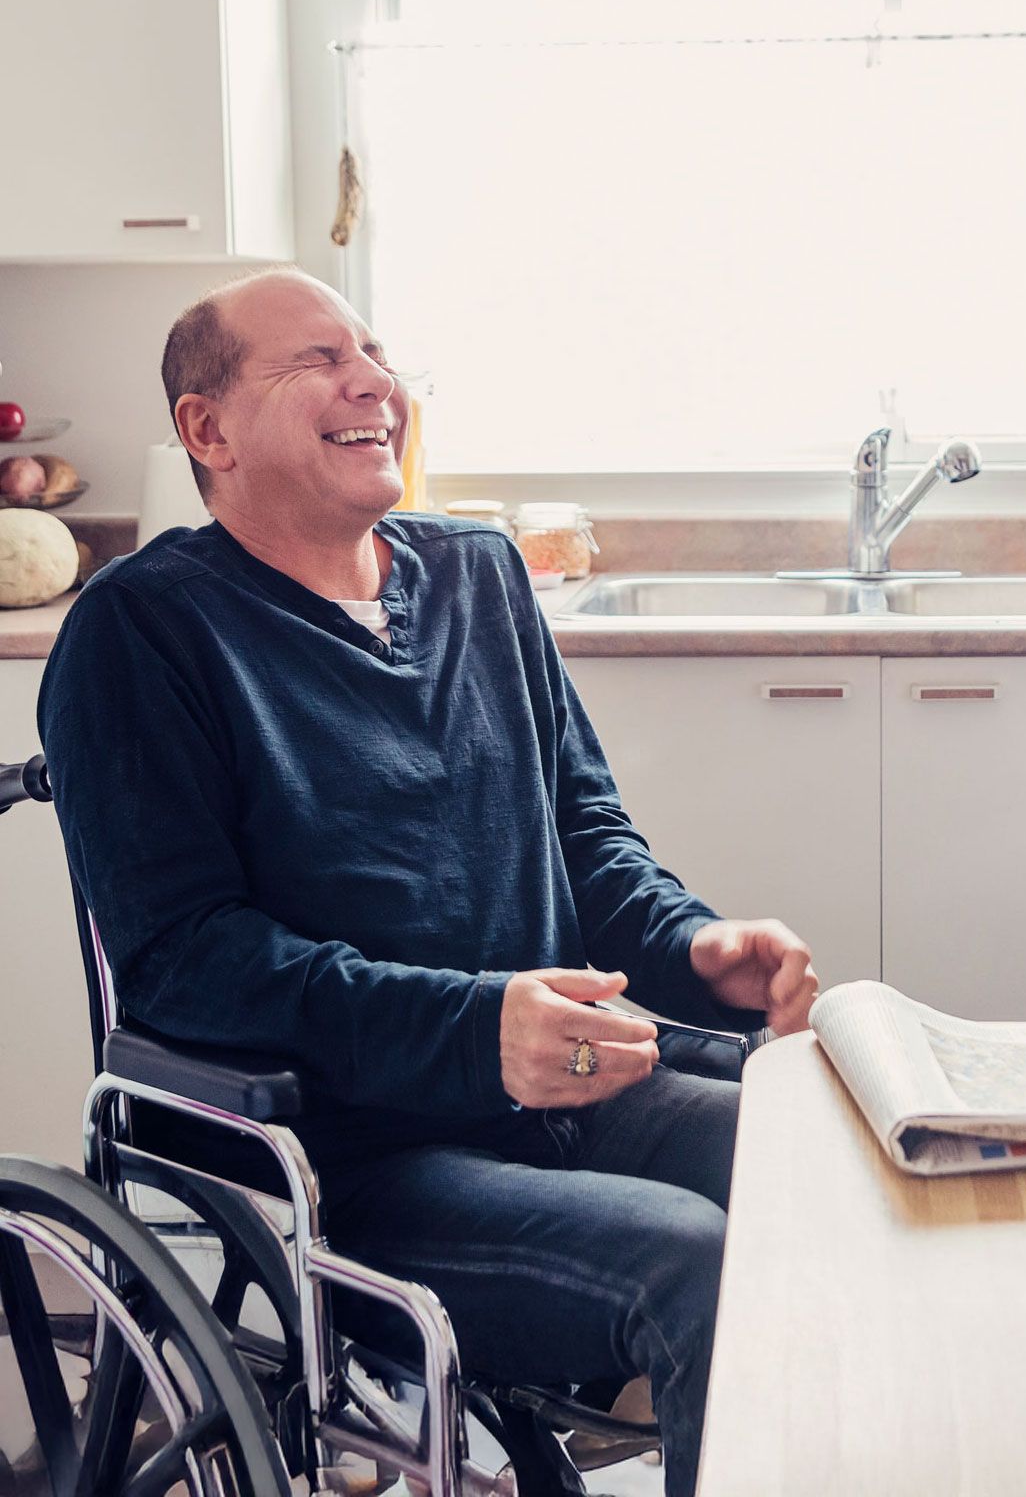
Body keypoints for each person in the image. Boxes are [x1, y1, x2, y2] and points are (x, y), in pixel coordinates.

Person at [40, 268, 819, 1496]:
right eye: (315, 362)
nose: (372, 383)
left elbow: (587, 842)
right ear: (207, 431)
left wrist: (695, 946)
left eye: (375, 352)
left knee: (819, 1151)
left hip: (573, 1081)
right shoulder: (142, 636)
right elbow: (187, 957)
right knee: (698, 1258)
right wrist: (472, 1029)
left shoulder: (480, 578)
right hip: (358, 1156)